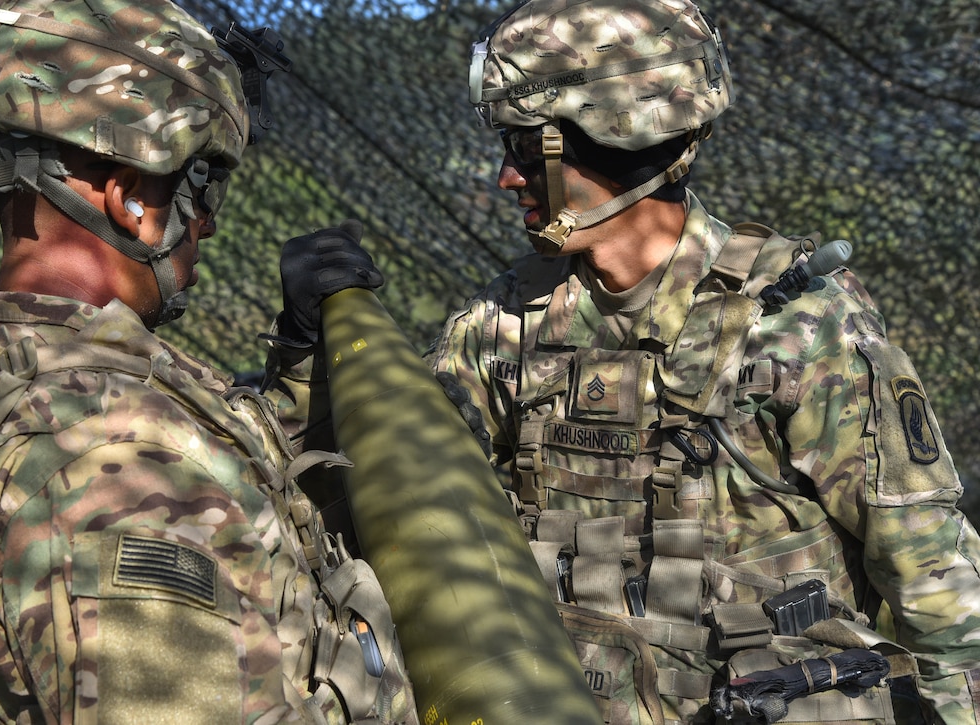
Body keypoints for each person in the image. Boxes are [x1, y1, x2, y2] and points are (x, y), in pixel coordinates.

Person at [420, 0, 980, 722]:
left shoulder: (797, 320)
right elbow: (418, 497)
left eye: (530, 150)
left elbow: (929, 567)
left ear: (616, 135)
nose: (506, 179)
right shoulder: (503, 326)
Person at [0, 1, 416, 722]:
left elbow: (219, 462)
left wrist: (296, 363)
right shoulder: (113, 463)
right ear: (132, 199)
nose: (204, 222)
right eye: (203, 187)